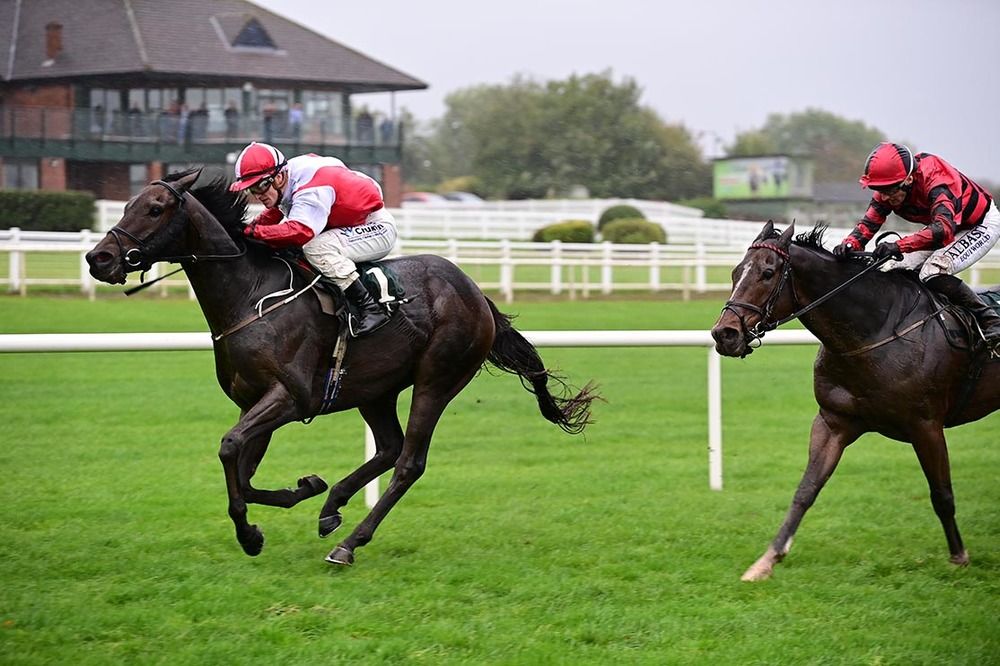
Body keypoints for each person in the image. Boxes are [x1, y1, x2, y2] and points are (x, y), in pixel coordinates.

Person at [833, 142, 1000, 355]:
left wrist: (898, 245)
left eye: (889, 190)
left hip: (979, 225)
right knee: (891, 269)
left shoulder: (937, 179)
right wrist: (850, 244)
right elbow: (870, 222)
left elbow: (943, 230)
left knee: (933, 272)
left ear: (909, 179)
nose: (883, 197)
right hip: (945, 226)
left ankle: (990, 319)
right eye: (878, 190)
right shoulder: (891, 185)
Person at [229, 142, 397, 336]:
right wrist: (248, 229)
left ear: (280, 176)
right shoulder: (288, 175)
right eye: (251, 189)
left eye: (261, 186)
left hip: (375, 228)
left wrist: (252, 233)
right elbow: (274, 212)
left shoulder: (311, 189)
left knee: (315, 248)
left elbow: (300, 232)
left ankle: (370, 307)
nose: (258, 195)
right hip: (347, 224)